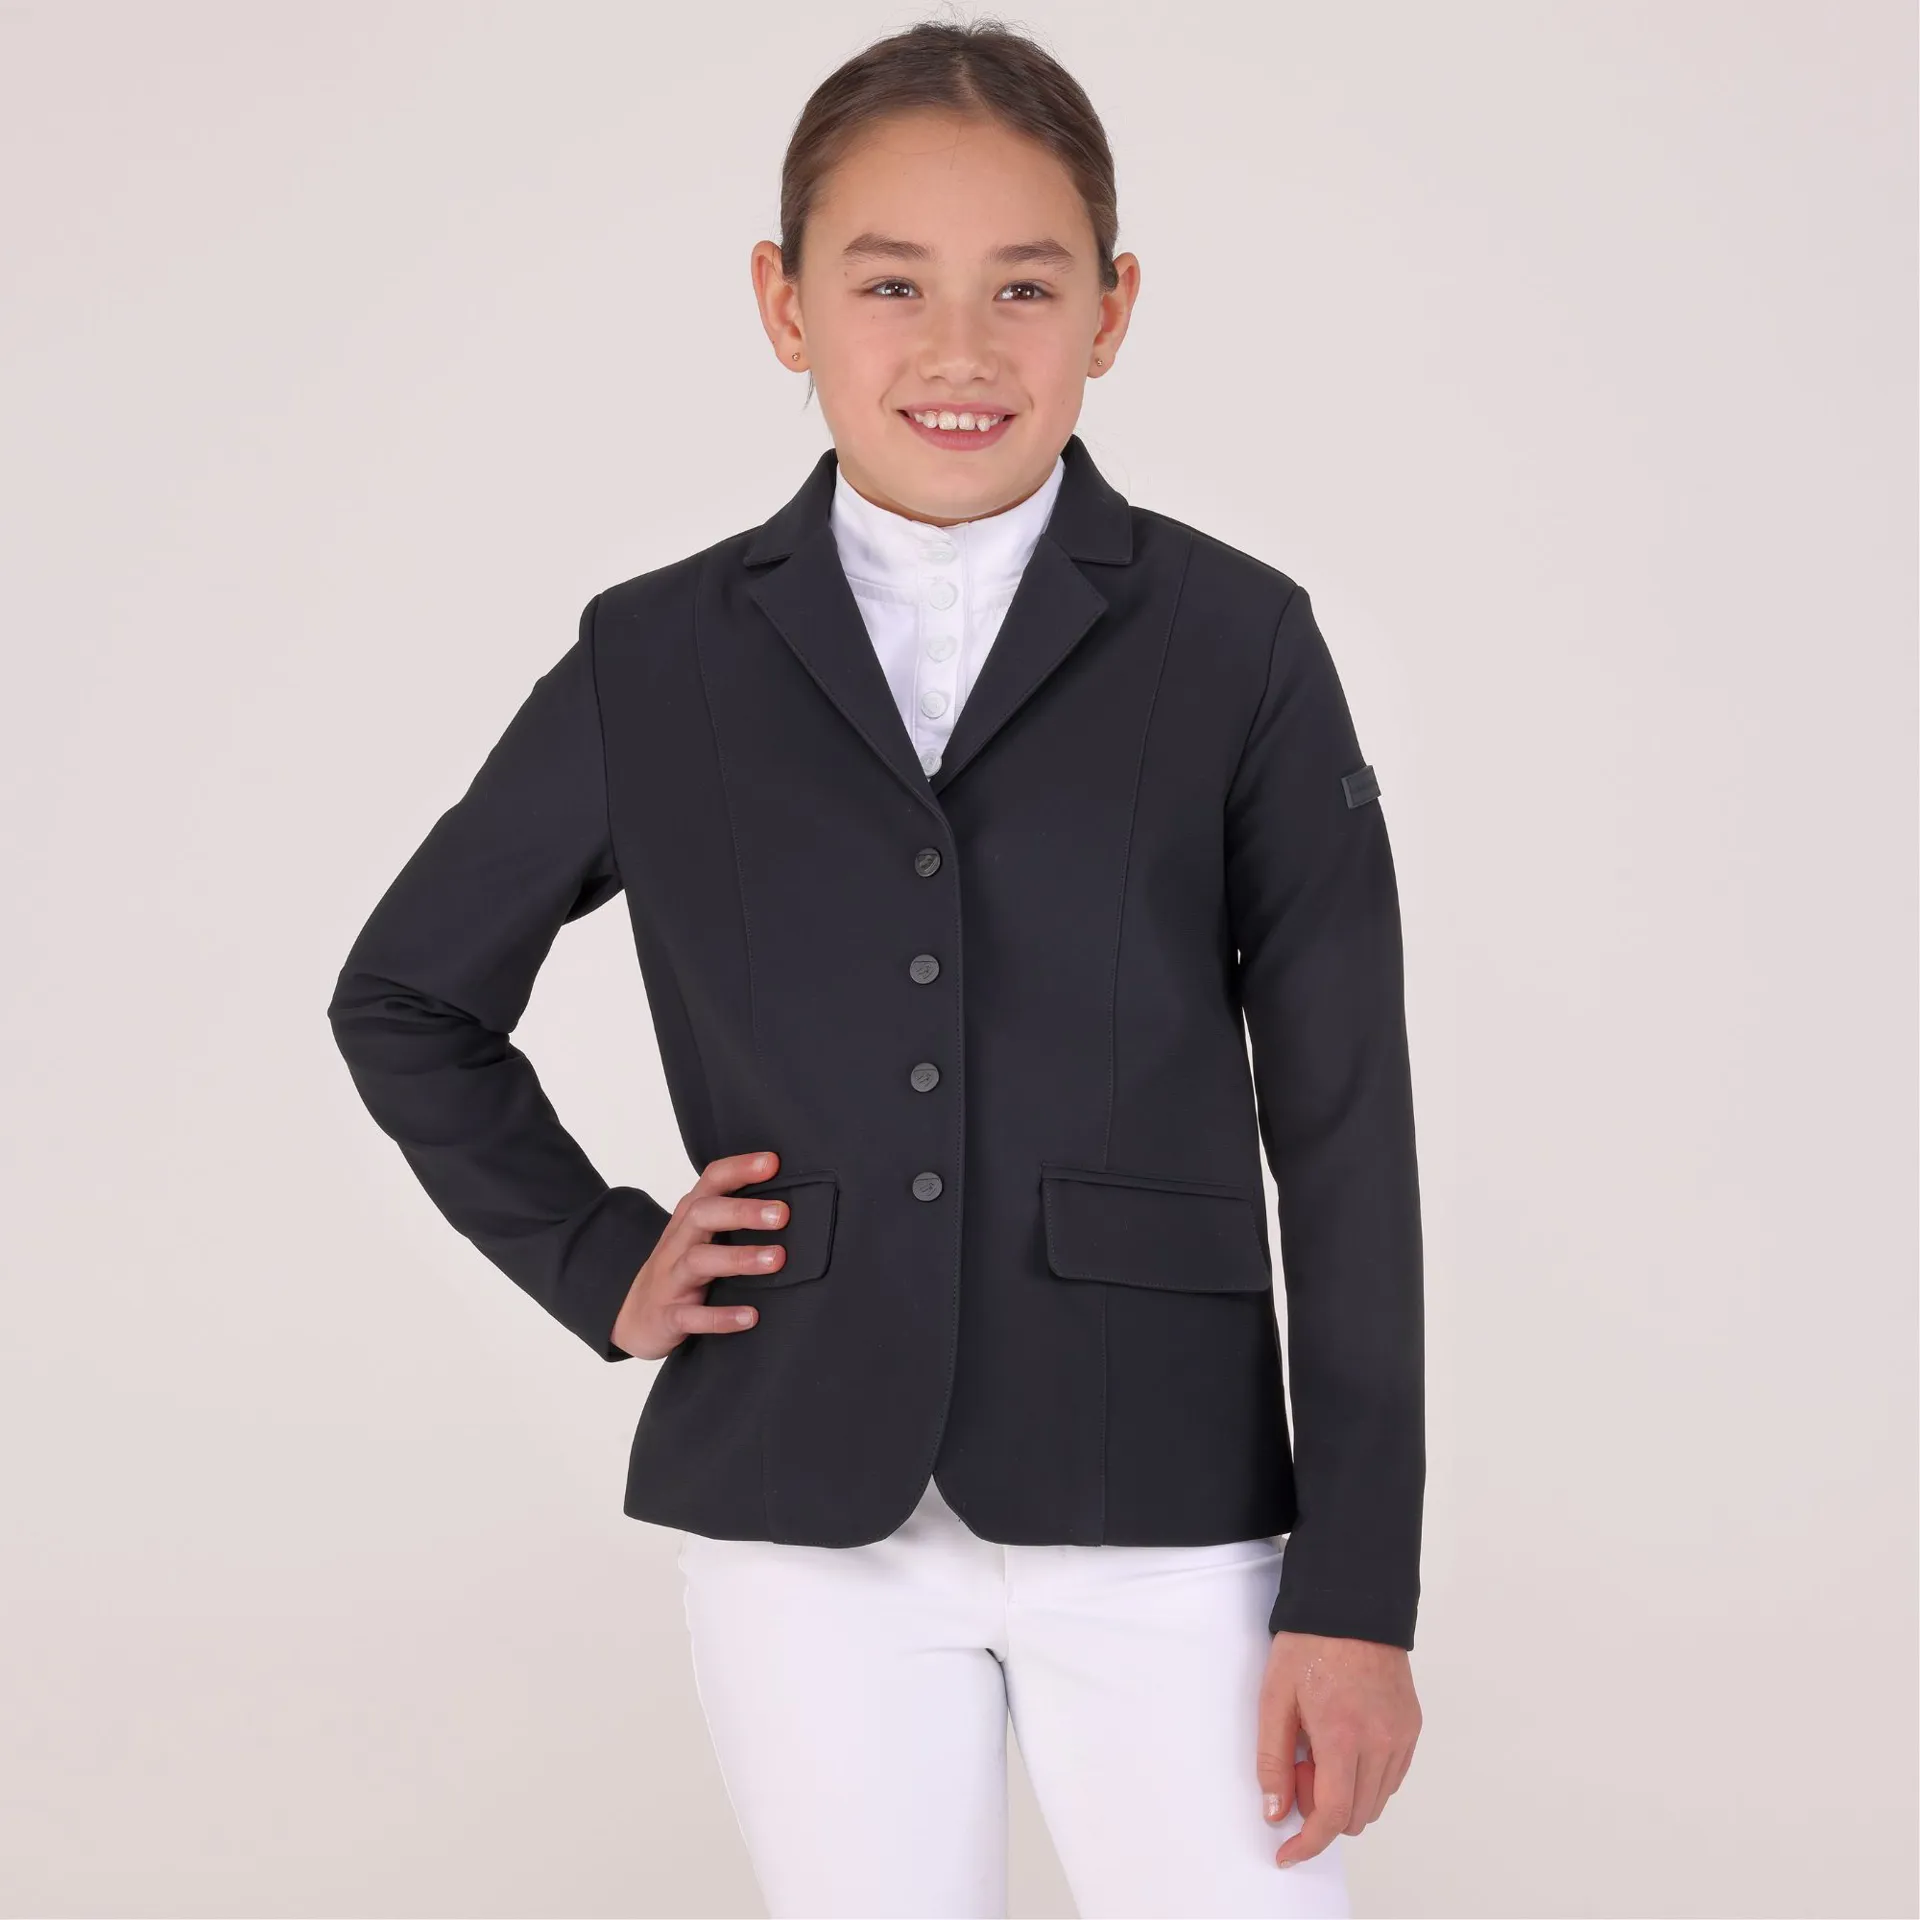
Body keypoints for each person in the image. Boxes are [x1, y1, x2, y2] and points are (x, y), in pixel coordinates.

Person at [327, 16, 1425, 1918]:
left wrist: (1360, 1591)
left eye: (1027, 287)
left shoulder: (1237, 642)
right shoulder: (656, 657)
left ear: (1113, 310)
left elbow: (1343, 1133)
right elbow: (408, 996)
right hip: (798, 1500)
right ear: (784, 304)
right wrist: (595, 1258)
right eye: (891, 283)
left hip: (1168, 1500)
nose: (959, 349)